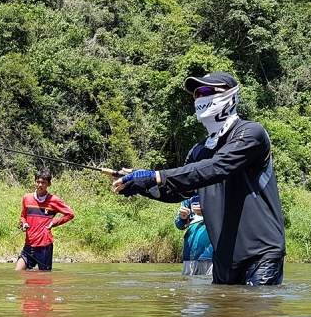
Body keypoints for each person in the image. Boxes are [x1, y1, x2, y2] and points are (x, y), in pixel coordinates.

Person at [112, 71, 285, 285]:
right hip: (223, 260)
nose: (200, 97)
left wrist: (155, 176)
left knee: (253, 315)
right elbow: (181, 189)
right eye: (196, 94)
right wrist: (140, 183)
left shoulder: (251, 133)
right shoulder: (199, 150)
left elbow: (217, 167)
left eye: (206, 90)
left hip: (261, 254)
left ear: (230, 95)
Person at [16, 170, 74, 271]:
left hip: (45, 246)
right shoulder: (27, 198)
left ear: (49, 184)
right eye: (38, 182)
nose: (40, 185)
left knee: (44, 277)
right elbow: (22, 216)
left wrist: (54, 222)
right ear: (35, 182)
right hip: (29, 244)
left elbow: (70, 214)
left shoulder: (54, 200)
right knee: (18, 272)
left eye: (43, 183)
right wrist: (24, 223)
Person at [175, 195, 213, 276]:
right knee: (189, 285)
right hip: (190, 254)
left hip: (211, 255)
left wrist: (207, 211)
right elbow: (179, 225)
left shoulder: (220, 191)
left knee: (212, 285)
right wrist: (182, 217)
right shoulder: (189, 195)